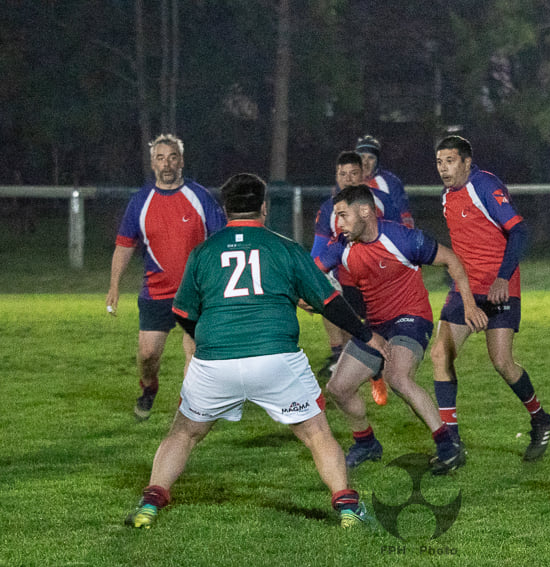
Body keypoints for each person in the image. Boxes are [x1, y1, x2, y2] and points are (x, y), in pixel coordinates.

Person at [124, 173, 388, 530]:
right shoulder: (285, 248)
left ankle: (149, 503)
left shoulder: (204, 252)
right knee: (316, 432)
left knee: (183, 433)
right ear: (264, 207)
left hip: (215, 362)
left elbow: (182, 312)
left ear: (225, 210)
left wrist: (206, 341)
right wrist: (365, 334)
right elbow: (329, 302)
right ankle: (347, 508)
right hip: (275, 359)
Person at [314, 184, 488, 474]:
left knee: (397, 376)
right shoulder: (341, 247)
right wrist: (305, 294)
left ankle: (448, 448)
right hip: (375, 326)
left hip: (412, 318)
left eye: (343, 215)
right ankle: (366, 443)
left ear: (365, 211)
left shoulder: (403, 238)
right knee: (338, 388)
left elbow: (451, 259)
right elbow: (311, 273)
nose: (339, 223)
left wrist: (469, 305)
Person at [430, 135, 550, 462]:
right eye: (440, 162)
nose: (444, 169)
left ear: (466, 162)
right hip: (466, 289)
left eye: (450, 161)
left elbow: (519, 231)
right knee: (441, 355)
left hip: (500, 286)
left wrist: (502, 277)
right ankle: (451, 443)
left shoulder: (484, 185)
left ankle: (541, 419)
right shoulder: (446, 197)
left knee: (502, 362)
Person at [106, 134, 226, 421]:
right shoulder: (140, 201)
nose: (167, 164)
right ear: (153, 164)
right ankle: (149, 388)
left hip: (196, 292)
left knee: (194, 352)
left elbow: (221, 240)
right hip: (155, 292)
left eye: (172, 157)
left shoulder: (200, 197)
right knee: (148, 355)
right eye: (160, 158)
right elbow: (124, 245)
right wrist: (114, 286)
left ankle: (189, 412)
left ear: (181, 161)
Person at [311, 150, 409, 405]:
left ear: (363, 175)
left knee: (379, 330)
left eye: (353, 173)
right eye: (342, 174)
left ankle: (377, 372)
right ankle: (347, 370)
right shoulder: (329, 208)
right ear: (336, 176)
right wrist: (310, 281)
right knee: (348, 328)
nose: (348, 179)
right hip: (347, 281)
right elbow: (319, 248)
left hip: (380, 282)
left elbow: (400, 234)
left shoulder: (381, 201)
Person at [355, 134, 414, 228]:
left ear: (377, 162)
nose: (365, 162)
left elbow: (405, 217)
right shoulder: (346, 181)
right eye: (362, 157)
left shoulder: (391, 182)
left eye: (371, 158)